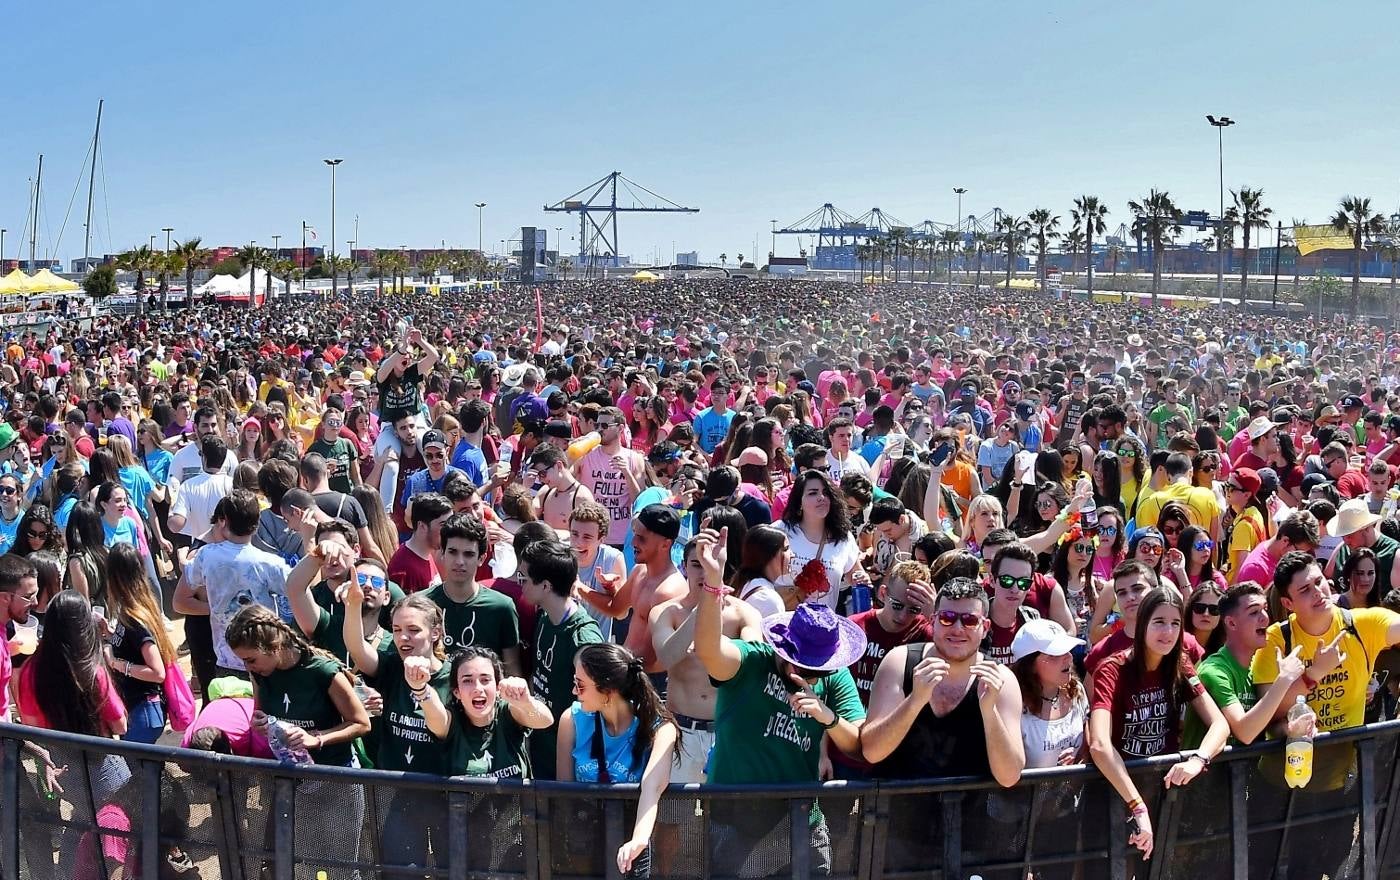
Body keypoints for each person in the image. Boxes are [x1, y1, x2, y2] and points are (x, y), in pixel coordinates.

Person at [694, 525, 866, 877]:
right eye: (799, 662)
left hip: (800, 819)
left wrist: (827, 718)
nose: (804, 673)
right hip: (733, 816)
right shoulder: (753, 660)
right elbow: (710, 652)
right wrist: (712, 585)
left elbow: (857, 743)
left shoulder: (834, 677)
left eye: (814, 669)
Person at [1088, 588, 1228, 860]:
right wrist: (1137, 807)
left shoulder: (1180, 664)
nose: (1168, 631)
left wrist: (1197, 760)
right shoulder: (1111, 669)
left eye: (1175, 623)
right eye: (1159, 622)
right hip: (1116, 793)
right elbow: (1099, 745)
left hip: (1162, 792)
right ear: (1142, 625)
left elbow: (1220, 725)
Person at [861, 576, 1024, 783]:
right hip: (896, 809)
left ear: (985, 628)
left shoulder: (1001, 679)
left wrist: (989, 712)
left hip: (969, 811)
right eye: (947, 618)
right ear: (933, 621)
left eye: (970, 620)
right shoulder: (900, 662)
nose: (957, 629)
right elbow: (872, 752)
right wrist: (915, 701)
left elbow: (1009, 777)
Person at [557, 643, 679, 878]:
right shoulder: (571, 720)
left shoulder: (660, 728)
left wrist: (638, 840)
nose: (574, 692)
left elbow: (652, 788)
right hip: (583, 845)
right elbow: (564, 797)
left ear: (608, 691)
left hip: (632, 843)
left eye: (580, 686)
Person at [173, 489, 294, 678]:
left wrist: (217, 608)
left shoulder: (206, 556)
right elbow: (298, 591)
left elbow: (179, 602)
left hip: (226, 661)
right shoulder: (270, 563)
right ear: (256, 524)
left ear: (224, 521)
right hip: (266, 659)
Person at [1181, 581, 1306, 748]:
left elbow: (1268, 721)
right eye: (1254, 612)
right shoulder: (1214, 671)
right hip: (1207, 773)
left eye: (1265, 609)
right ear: (1231, 623)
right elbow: (1245, 732)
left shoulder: (1260, 666)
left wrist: (1290, 728)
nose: (1265, 618)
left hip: (1246, 772)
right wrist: (1283, 680)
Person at [518, 537, 603, 779]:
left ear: (545, 586)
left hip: (571, 758)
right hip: (541, 745)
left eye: (524, 578)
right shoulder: (545, 617)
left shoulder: (583, 638)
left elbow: (596, 708)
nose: (519, 583)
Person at [581, 504, 687, 681]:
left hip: (650, 681)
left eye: (642, 538)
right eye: (635, 535)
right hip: (629, 669)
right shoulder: (640, 571)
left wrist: (606, 666)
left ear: (665, 544)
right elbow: (615, 608)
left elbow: (650, 657)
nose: (633, 543)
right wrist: (604, 589)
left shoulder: (668, 591)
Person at [418, 645, 553, 777]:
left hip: (514, 799)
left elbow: (546, 721)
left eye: (485, 680)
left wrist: (526, 703)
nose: (478, 688)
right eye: (467, 681)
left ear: (498, 686)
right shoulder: (450, 723)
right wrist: (420, 687)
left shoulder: (508, 712)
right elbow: (434, 709)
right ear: (457, 692)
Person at [424, 513, 522, 671]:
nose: (460, 561)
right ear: (442, 552)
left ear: (482, 558)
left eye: (468, 554)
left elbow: (512, 671)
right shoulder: (422, 604)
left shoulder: (502, 607)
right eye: (453, 552)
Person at [100, 543, 176, 743]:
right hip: (137, 711)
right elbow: (132, 646)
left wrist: (115, 663)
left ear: (115, 578)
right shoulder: (129, 612)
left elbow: (157, 673)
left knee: (137, 772)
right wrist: (110, 636)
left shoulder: (136, 619)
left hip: (144, 713)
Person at [779, 470, 866, 611]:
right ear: (799, 501)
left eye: (826, 493)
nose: (821, 497)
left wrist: (861, 578)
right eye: (813, 493)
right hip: (783, 624)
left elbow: (854, 575)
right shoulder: (780, 531)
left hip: (822, 626)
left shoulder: (844, 538)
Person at [1009, 618, 1087, 768]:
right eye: (1055, 654)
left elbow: (1088, 744)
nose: (1069, 657)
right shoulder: (1014, 706)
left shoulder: (1077, 690)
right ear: (1030, 665)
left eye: (1067, 650)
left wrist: (1080, 758)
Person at [575, 407, 646, 547]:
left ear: (620, 428)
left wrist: (627, 473)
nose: (599, 429)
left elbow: (639, 501)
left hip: (620, 537)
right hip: (590, 534)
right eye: (597, 425)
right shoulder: (585, 455)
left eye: (605, 425)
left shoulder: (634, 459)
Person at [387, 491, 452, 594]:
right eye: (443, 524)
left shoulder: (426, 554)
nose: (449, 530)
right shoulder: (403, 569)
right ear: (422, 526)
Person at [530, 444, 596, 530]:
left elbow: (589, 535)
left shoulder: (581, 497)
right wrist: (526, 488)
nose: (540, 480)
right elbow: (527, 519)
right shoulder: (545, 492)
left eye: (542, 474)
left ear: (558, 466)